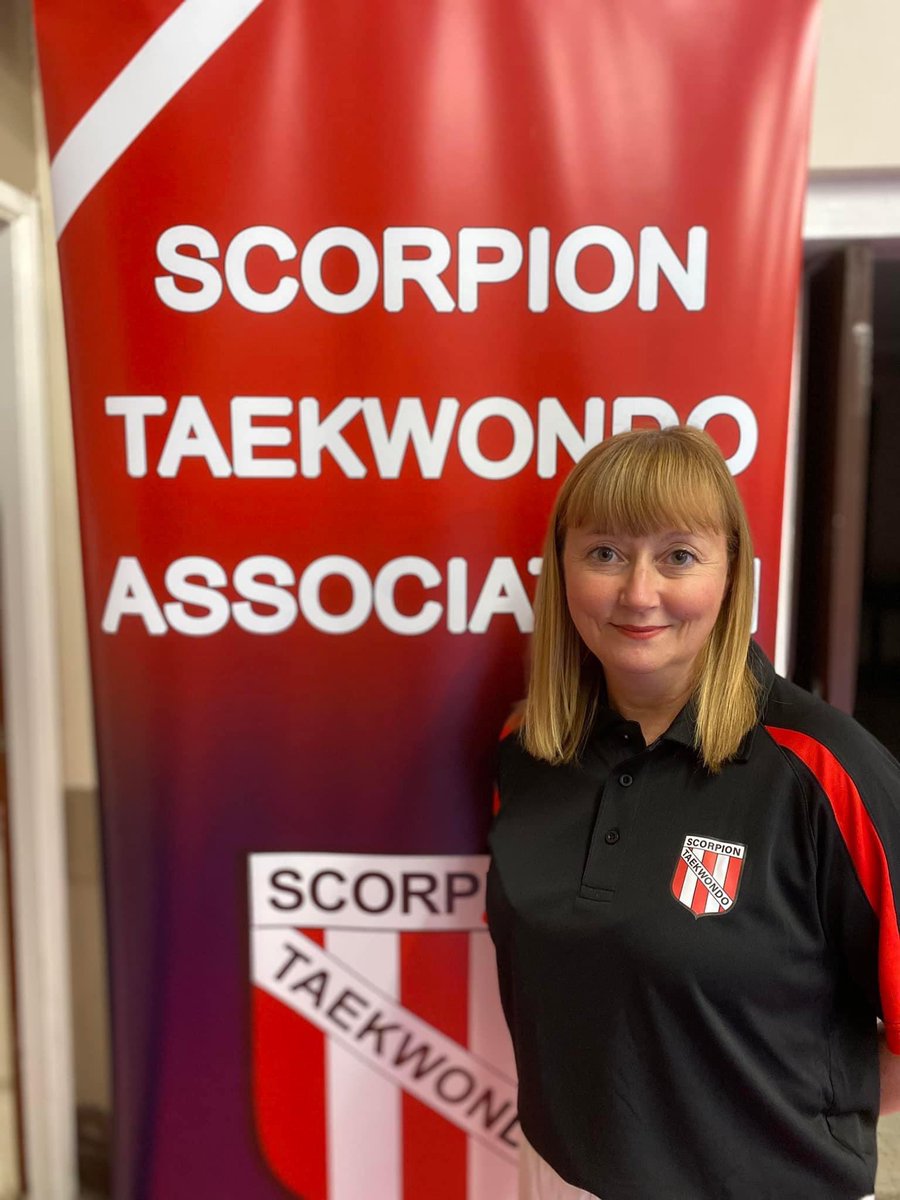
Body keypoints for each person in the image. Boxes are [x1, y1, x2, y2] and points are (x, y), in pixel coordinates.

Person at [486, 425, 900, 1200]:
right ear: (562, 569)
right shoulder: (526, 749)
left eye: (679, 555)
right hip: (557, 1176)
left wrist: (772, 1126)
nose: (638, 593)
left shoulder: (824, 769)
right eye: (604, 552)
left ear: (733, 573)